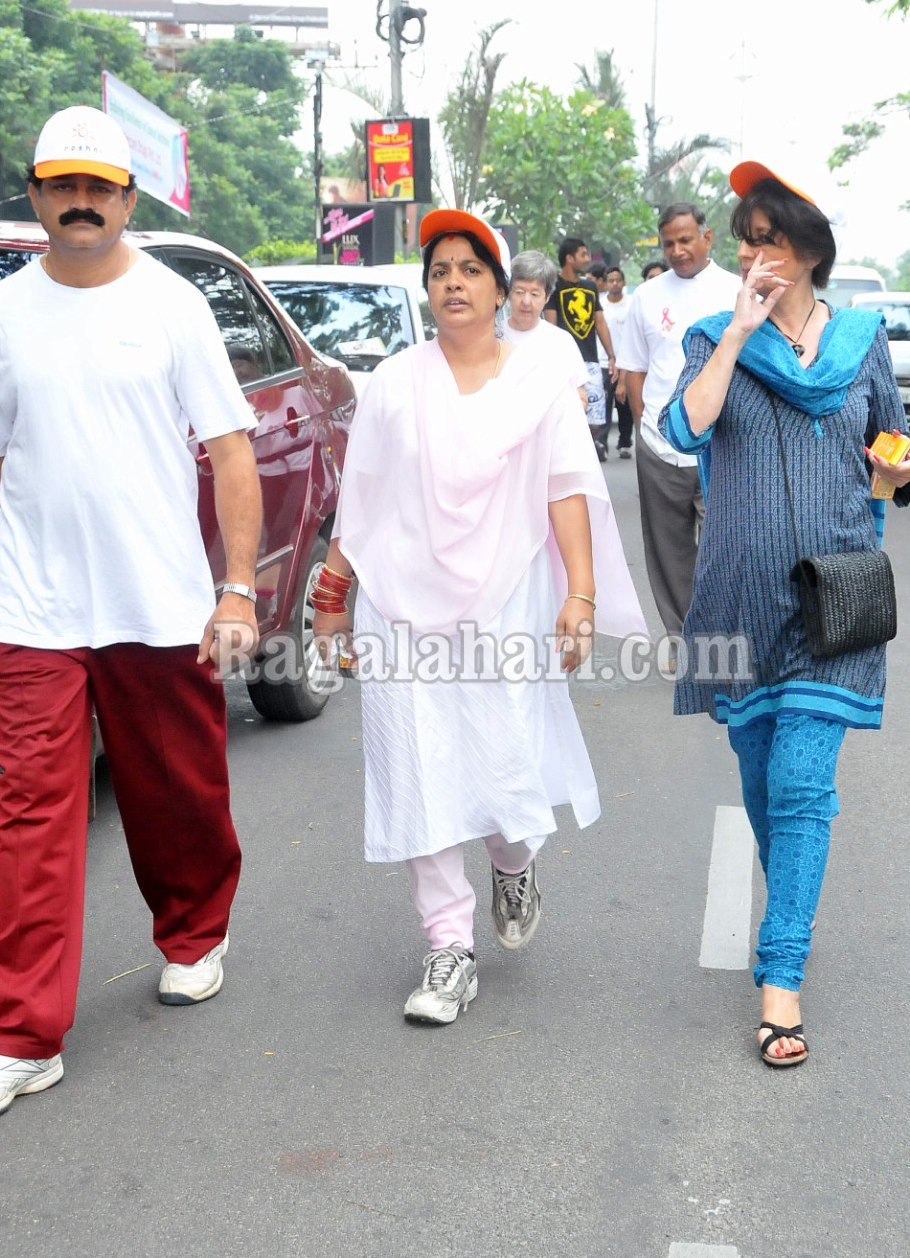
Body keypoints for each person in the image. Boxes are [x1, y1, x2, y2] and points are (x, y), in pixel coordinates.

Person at [0, 106, 262, 1119]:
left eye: (101, 187)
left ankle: (194, 928)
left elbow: (231, 449)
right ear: (39, 192)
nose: (83, 202)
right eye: (65, 185)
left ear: (129, 198)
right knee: (31, 815)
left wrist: (236, 586)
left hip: (158, 599)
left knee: (174, 789)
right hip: (32, 604)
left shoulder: (174, 303)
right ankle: (17, 1028)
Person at [312, 210, 644, 1026]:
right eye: (438, 271)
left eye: (469, 268)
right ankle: (447, 945)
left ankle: (512, 858)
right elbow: (364, 497)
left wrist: (580, 593)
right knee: (418, 762)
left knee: (502, 758)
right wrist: (331, 594)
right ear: (427, 290)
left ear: (500, 288)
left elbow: (567, 486)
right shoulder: (394, 381)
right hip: (399, 602)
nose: (453, 282)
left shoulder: (537, 383)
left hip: (507, 602)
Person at [657, 161, 910, 1066]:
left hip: (834, 595)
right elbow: (683, 430)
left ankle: (781, 981)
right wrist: (735, 333)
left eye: (765, 238)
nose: (749, 253)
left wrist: (896, 468)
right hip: (738, 595)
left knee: (803, 782)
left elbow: (881, 445)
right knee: (766, 778)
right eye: (744, 241)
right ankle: (789, 914)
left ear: (808, 250)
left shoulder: (861, 340)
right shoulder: (709, 335)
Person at [617, 204, 739, 638]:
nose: (677, 250)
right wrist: (646, 426)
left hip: (722, 444)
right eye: (668, 243)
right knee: (668, 549)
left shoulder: (737, 292)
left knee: (725, 546)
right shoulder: (646, 297)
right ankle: (681, 637)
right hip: (659, 444)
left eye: (686, 240)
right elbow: (634, 369)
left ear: (707, 238)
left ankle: (720, 635)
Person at [544, 237, 616, 461]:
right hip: (562, 363)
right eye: (583, 254)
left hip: (591, 361)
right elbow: (550, 326)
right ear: (569, 258)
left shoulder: (590, 286)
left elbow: (600, 322)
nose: (587, 259)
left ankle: (586, 451)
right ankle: (569, 457)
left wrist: (612, 356)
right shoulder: (553, 286)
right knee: (565, 415)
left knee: (594, 418)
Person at [503, 249, 589, 410]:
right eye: (519, 292)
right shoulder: (491, 336)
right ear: (508, 292)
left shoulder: (561, 342)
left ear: (547, 296)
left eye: (535, 294)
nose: (526, 301)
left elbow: (581, 399)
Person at [599, 266, 635, 458]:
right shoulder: (599, 305)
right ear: (605, 284)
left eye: (618, 280)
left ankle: (624, 443)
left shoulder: (631, 304)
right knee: (604, 403)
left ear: (623, 282)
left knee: (625, 405)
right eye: (611, 280)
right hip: (604, 363)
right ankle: (602, 443)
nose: (614, 284)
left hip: (626, 363)